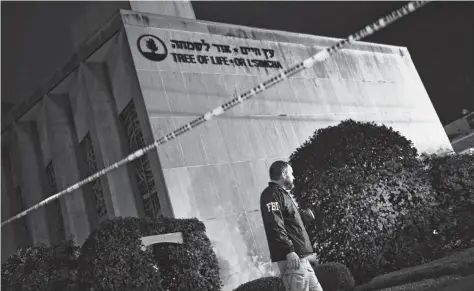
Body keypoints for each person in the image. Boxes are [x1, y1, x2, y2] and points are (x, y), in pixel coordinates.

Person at [260, 161, 323, 291]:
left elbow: (289, 222)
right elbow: (275, 225)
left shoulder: (282, 194)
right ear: (284, 174)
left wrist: (303, 217)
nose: (293, 177)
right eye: (291, 173)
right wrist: (288, 250)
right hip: (293, 259)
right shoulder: (271, 194)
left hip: (300, 258)